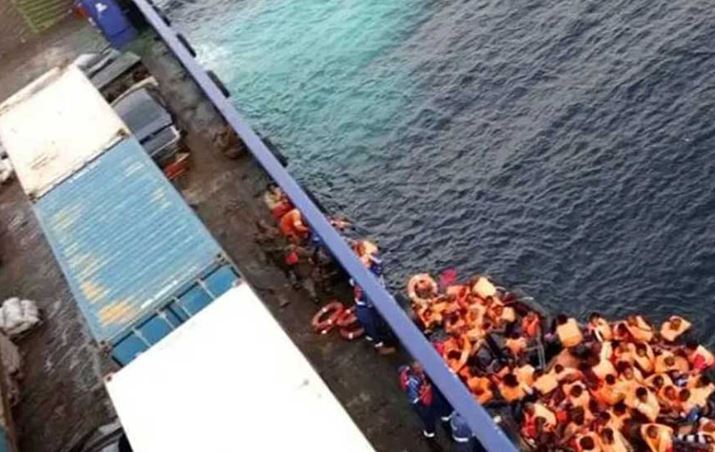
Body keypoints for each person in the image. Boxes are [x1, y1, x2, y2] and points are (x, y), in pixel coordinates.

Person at [352, 284, 395, 355]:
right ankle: (380, 347)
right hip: (365, 309)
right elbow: (371, 301)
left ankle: (373, 336)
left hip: (366, 307)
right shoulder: (364, 288)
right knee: (371, 327)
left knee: (375, 323)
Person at [399, 362, 438, 439]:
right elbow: (424, 390)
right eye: (419, 367)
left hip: (415, 400)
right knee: (427, 417)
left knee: (426, 414)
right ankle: (430, 432)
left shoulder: (406, 377)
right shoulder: (416, 380)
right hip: (420, 402)